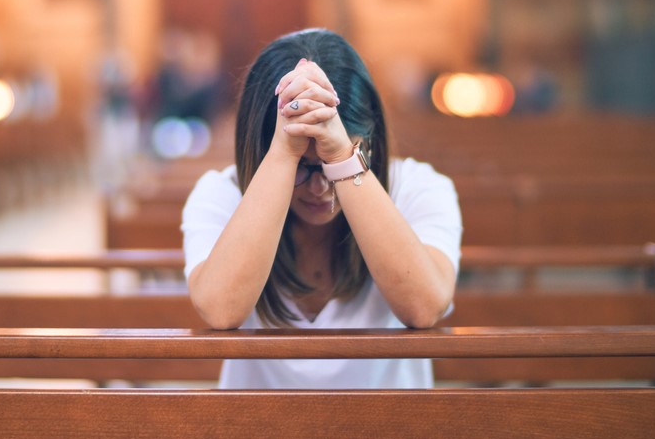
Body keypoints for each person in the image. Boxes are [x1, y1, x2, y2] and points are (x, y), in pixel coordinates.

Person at [181, 28, 462, 388]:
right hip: (255, 436)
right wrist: (284, 152)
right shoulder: (221, 193)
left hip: (395, 435)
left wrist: (342, 158)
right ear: (260, 150)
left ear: (369, 139)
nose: (320, 188)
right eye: (304, 166)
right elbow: (221, 309)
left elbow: (425, 306)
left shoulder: (418, 186)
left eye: (334, 161)